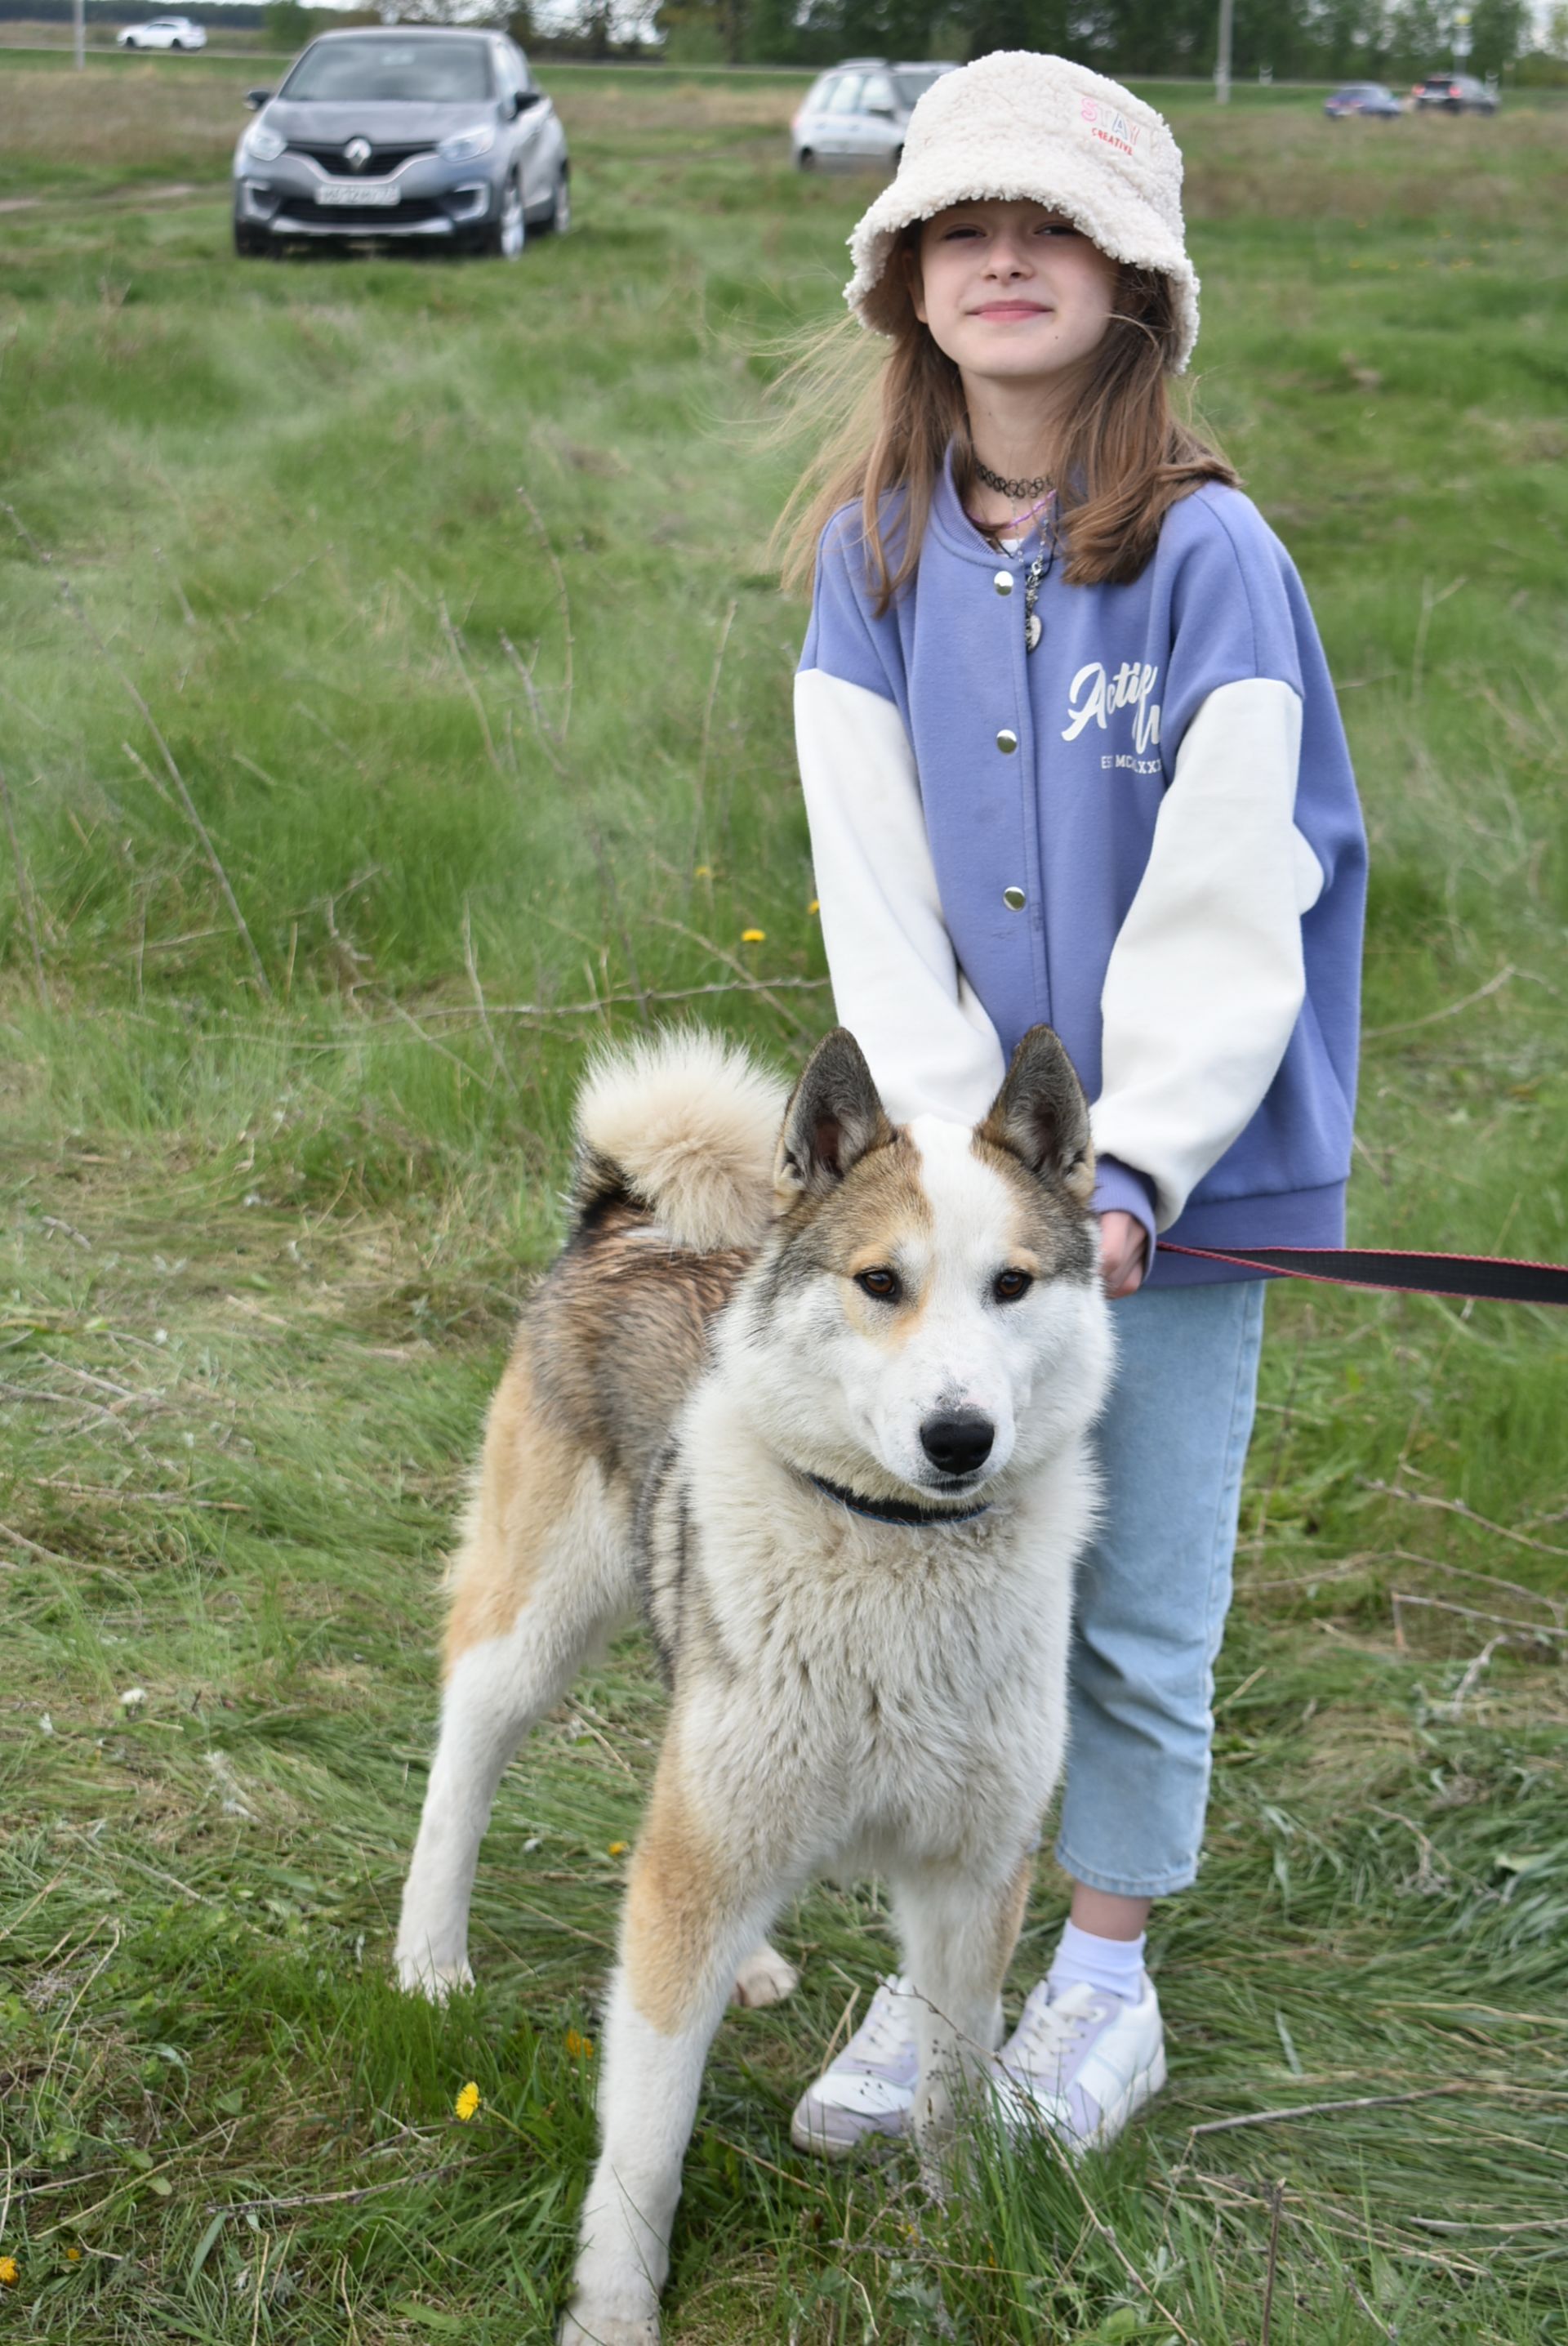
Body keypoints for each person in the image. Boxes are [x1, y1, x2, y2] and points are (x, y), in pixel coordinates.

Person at [776, 50, 1367, 2156]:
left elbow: (1234, 891)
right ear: (907, 278)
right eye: (960, 222)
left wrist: (1123, 1171)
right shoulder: (872, 561)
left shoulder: (1212, 558)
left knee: (1133, 1588)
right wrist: (969, 1203)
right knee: (946, 1579)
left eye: (1053, 224)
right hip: (970, 1220)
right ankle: (943, 1962)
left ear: (1136, 283)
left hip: (1176, 1195)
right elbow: (877, 891)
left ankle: (1103, 1973)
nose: (1003, 254)